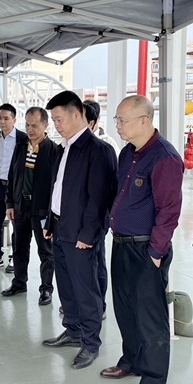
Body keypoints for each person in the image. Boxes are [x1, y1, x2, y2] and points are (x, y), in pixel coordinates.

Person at [99, 95, 183, 384]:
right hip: (122, 243)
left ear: (144, 121)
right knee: (125, 308)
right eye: (117, 120)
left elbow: (169, 211)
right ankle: (131, 361)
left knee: (150, 317)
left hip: (146, 249)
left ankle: (154, 380)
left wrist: (156, 253)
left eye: (122, 120)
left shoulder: (164, 158)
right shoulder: (128, 153)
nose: (118, 126)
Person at [41, 91, 116, 370]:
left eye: (59, 119)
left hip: (82, 233)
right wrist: (50, 222)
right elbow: (57, 190)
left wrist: (88, 234)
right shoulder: (63, 148)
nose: (56, 125)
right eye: (53, 120)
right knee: (66, 284)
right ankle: (72, 330)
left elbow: (100, 199)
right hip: (60, 227)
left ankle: (91, 342)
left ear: (76, 115)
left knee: (86, 289)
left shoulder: (99, 151)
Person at [2, 107, 58, 305]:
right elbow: (12, 176)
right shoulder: (20, 147)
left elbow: (57, 185)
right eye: (27, 125)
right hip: (20, 206)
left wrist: (52, 213)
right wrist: (10, 203)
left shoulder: (53, 151)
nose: (30, 129)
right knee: (19, 247)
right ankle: (19, 282)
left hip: (41, 210)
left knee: (46, 251)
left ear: (45, 125)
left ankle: (46, 289)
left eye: (34, 125)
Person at [82, 99, 119, 319]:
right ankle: (83, 304)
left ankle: (100, 305)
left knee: (97, 261)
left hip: (98, 215)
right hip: (79, 215)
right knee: (81, 262)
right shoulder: (73, 144)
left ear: (94, 122)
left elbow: (111, 185)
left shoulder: (107, 145)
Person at [0, 104, 27, 272]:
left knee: (17, 225)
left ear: (14, 120)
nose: (2, 121)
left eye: (6, 118)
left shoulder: (23, 139)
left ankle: (15, 258)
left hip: (16, 189)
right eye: (0, 118)